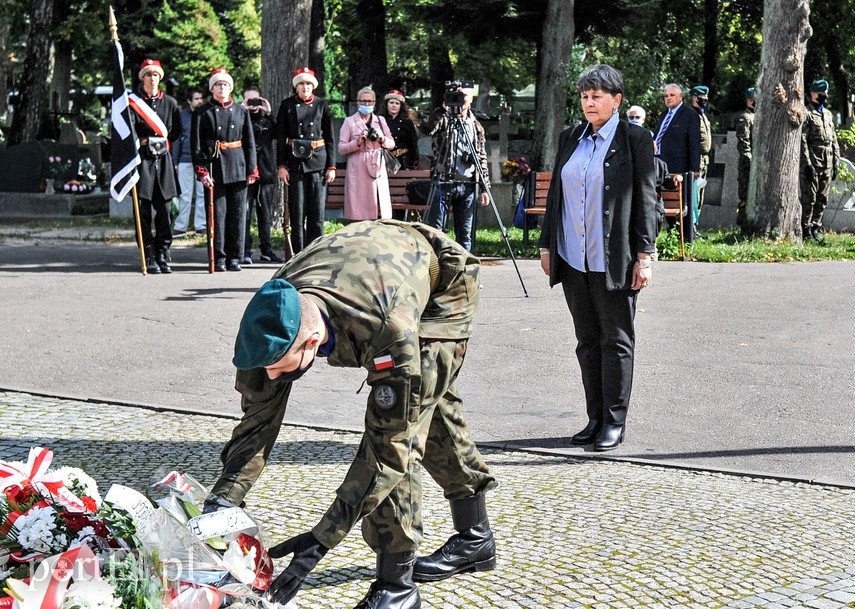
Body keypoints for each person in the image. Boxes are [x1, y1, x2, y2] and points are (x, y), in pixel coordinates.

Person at [209, 220, 498, 609]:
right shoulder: (272, 314)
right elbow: (257, 421)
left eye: (278, 365)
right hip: (374, 265)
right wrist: (222, 501)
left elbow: (388, 451)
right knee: (427, 406)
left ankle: (397, 586)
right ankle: (476, 538)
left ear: (313, 340)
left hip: (441, 288)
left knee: (406, 426)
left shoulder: (386, 329)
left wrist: (321, 540)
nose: (271, 375)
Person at [538, 64, 658, 452]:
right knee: (586, 340)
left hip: (614, 259)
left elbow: (645, 198)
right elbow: (556, 193)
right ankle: (593, 417)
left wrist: (645, 254)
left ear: (616, 99)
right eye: (585, 96)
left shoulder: (634, 138)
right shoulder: (571, 136)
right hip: (573, 256)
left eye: (597, 96)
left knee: (617, 339)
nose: (590, 103)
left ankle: (614, 420)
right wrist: (546, 245)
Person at [191, 68, 258, 272]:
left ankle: (234, 256)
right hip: (215, 166)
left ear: (231, 88)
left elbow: (249, 143)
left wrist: (251, 169)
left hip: (237, 165)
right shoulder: (202, 112)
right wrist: (202, 171)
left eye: (225, 84)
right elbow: (196, 145)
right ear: (212, 88)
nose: (222, 88)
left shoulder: (241, 111)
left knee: (238, 214)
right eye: (218, 84)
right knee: (218, 215)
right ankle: (218, 256)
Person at [420, 82, 490, 252]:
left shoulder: (476, 125)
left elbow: (481, 156)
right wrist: (444, 109)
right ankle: (436, 268)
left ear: (471, 99)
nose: (460, 99)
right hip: (443, 182)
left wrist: (484, 188)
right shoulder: (444, 119)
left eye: (464, 96)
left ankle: (464, 271)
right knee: (436, 231)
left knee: (465, 234)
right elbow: (428, 130)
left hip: (468, 185)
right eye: (457, 95)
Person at [127, 59, 182, 274]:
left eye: (156, 75)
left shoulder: (169, 102)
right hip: (143, 160)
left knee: (165, 209)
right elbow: (129, 132)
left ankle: (162, 251)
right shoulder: (133, 103)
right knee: (142, 209)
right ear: (142, 78)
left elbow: (176, 131)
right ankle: (147, 251)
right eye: (148, 75)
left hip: (163, 159)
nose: (152, 79)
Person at [276, 67, 336, 253]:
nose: (305, 87)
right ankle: (299, 253)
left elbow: (330, 137)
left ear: (313, 87)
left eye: (308, 84)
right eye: (301, 84)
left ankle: (316, 253)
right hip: (295, 164)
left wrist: (331, 166)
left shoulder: (321, 105)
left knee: (316, 213)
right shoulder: (287, 105)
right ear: (296, 87)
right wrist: (281, 165)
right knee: (297, 212)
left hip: (318, 163)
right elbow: (280, 138)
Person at [338, 86, 396, 221]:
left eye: (369, 101)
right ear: (358, 102)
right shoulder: (349, 121)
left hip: (377, 165)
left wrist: (382, 139)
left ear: (374, 103)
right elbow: (341, 148)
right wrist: (357, 142)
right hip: (357, 165)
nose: (366, 104)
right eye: (363, 101)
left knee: (378, 203)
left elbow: (392, 144)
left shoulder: (380, 121)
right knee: (359, 206)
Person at [242, 86, 281, 264]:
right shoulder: (240, 118)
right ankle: (245, 250)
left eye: (256, 100)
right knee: (245, 213)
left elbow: (279, 134)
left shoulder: (266, 121)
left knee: (264, 214)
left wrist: (270, 112)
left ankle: (266, 249)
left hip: (266, 172)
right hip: (246, 173)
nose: (253, 105)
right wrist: (241, 111)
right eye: (249, 101)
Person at [800, 79, 840, 243]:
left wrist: (836, 162)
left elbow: (834, 140)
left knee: (823, 198)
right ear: (813, 94)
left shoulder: (828, 114)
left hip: (827, 162)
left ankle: (816, 227)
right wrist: (807, 164)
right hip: (814, 162)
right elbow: (803, 139)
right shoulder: (807, 113)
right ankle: (806, 229)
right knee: (809, 198)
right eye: (823, 93)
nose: (826, 95)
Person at [172, 88, 207, 238]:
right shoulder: (182, 116)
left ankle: (201, 225)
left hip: (201, 160)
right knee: (185, 195)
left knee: (201, 194)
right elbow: (177, 140)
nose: (200, 101)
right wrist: (175, 161)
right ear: (189, 101)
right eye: (196, 99)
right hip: (185, 159)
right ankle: (180, 226)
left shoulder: (205, 114)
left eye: (201, 98)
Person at [654, 83, 701, 178]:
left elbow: (694, 143)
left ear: (680, 97)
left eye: (672, 95)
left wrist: (695, 168)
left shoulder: (690, 115)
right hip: (658, 163)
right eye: (666, 96)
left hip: (678, 167)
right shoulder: (664, 115)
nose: (668, 98)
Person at [380, 89, 420, 170]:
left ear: (401, 106)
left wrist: (414, 163)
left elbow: (413, 145)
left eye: (397, 103)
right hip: (383, 160)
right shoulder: (379, 120)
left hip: (404, 161)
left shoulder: (407, 122)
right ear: (386, 104)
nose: (394, 105)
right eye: (391, 103)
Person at [735, 86, 755, 232]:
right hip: (748, 164)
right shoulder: (745, 118)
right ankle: (744, 225)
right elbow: (743, 142)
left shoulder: (758, 116)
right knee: (745, 195)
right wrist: (749, 159)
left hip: (756, 164)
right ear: (750, 100)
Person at [690, 85, 712, 216]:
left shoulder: (702, 115)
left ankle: (695, 223)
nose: (705, 99)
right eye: (702, 97)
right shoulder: (691, 115)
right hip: (696, 159)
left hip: (704, 159)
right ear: (694, 97)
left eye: (706, 96)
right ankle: (690, 225)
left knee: (700, 192)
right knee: (694, 192)